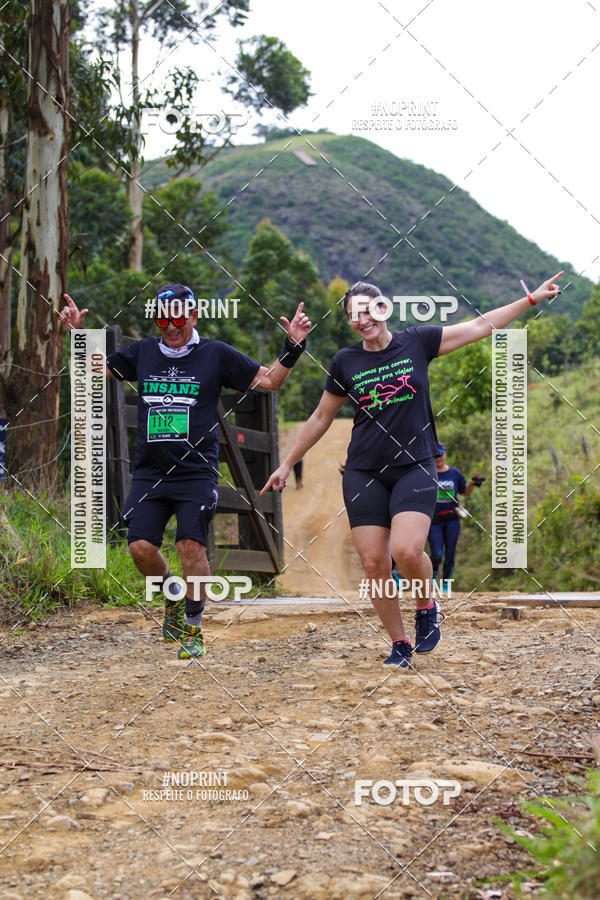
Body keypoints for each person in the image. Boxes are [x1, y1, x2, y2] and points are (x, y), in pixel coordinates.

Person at [262, 273, 563, 668]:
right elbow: (321, 417)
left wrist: (530, 300)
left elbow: (478, 326)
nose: (361, 320)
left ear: (383, 308)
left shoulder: (417, 342)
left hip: (415, 464)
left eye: (367, 311)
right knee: (374, 564)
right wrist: (287, 463)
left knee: (405, 550)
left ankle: (426, 605)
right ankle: (399, 643)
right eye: (353, 315)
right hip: (364, 471)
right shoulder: (345, 361)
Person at [60, 284, 311, 659]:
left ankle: (193, 628)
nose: (171, 326)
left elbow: (269, 381)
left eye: (178, 318)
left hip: (196, 472)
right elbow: (98, 368)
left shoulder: (215, 354)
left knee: (190, 545)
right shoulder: (143, 352)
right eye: (163, 319)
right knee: (140, 547)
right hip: (150, 472)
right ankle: (173, 595)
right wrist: (78, 336)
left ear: (194, 315)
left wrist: (293, 346)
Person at [428, 443, 482, 593]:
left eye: (440, 455)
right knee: (437, 553)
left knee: (450, 552)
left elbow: (465, 492)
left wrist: (472, 484)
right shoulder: (427, 473)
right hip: (434, 521)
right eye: (435, 456)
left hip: (452, 519)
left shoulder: (455, 473)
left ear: (445, 454)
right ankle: (432, 577)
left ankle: (446, 583)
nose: (438, 458)